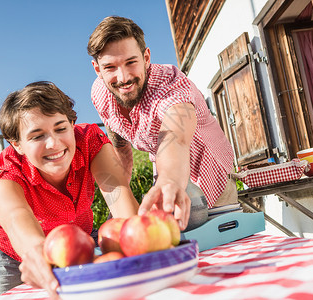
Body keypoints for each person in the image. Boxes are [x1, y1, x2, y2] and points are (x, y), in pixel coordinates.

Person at [0, 81, 139, 299]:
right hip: (11, 257)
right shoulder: (6, 172)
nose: (53, 143)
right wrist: (37, 253)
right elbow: (16, 217)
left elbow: (119, 194)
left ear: (72, 124)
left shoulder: (90, 141)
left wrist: (140, 240)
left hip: (77, 241)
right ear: (16, 144)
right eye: (37, 136)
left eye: (61, 128)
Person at [87, 16, 238, 230]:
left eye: (131, 62)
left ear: (146, 57)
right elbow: (118, 137)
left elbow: (174, 136)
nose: (123, 77)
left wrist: (169, 180)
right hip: (165, 173)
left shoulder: (171, 85)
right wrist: (120, 202)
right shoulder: (100, 92)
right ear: (97, 69)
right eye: (110, 67)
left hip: (208, 171)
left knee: (217, 248)